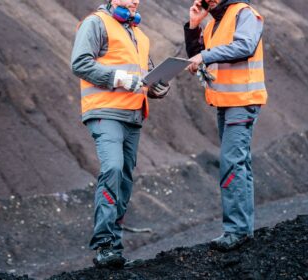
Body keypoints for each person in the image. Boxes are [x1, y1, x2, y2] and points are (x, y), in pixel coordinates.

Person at [71, 0, 169, 268]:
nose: (135, 1)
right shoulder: (96, 23)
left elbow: (145, 77)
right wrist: (118, 78)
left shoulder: (140, 35)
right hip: (105, 112)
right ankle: (103, 245)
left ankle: (114, 245)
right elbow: (79, 63)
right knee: (113, 169)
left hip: (133, 115)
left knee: (124, 179)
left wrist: (157, 87)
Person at [185, 0, 267, 251]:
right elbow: (198, 55)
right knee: (239, 163)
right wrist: (193, 26)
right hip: (226, 102)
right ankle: (244, 230)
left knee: (232, 162)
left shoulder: (245, 13)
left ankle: (236, 230)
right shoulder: (213, 24)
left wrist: (204, 55)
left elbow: (245, 46)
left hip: (243, 100)